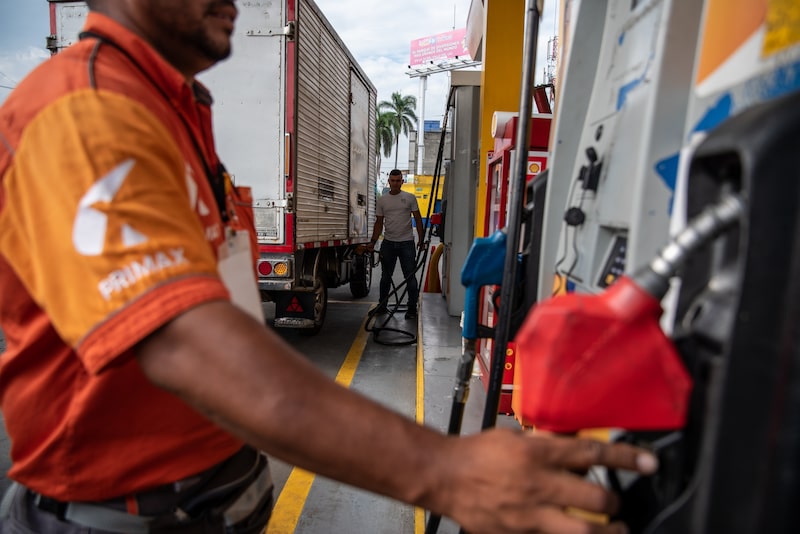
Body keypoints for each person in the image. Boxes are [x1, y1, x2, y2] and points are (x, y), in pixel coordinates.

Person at [0, 1, 658, 532]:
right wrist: (449, 471)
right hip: (118, 512)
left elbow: (224, 311)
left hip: (211, 490)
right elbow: (185, 342)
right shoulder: (85, 112)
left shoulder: (174, 110)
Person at [368, 169, 424, 320]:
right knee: (385, 277)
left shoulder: (410, 198)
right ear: (389, 182)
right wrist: (373, 242)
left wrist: (421, 239)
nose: (395, 183)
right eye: (392, 181)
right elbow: (379, 222)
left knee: (410, 278)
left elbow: (418, 219)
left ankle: (412, 309)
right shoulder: (383, 200)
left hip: (407, 243)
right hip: (388, 243)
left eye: (398, 181)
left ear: (402, 181)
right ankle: (382, 306)